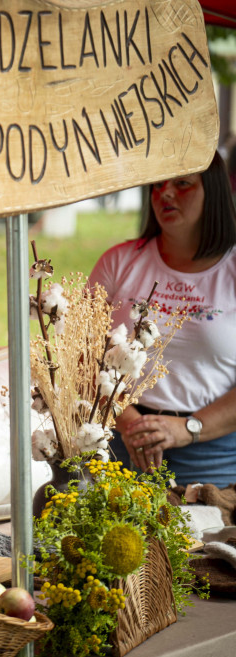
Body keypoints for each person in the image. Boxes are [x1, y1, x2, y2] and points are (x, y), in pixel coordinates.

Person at [89, 152, 236, 487]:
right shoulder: (118, 262)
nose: (165, 193)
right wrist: (129, 423)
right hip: (123, 446)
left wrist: (187, 428)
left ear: (212, 192)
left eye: (182, 184)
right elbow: (82, 356)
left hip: (213, 458)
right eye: (157, 185)